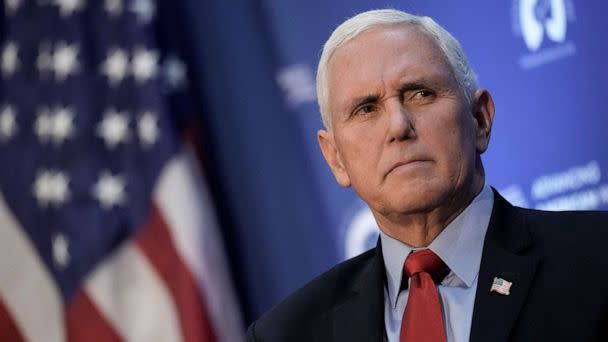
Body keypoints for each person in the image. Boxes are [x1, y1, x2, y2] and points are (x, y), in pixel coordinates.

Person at [246, 9, 608, 342]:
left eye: (421, 93)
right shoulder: (287, 334)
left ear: (480, 120)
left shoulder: (595, 259)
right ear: (335, 158)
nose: (399, 126)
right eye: (366, 108)